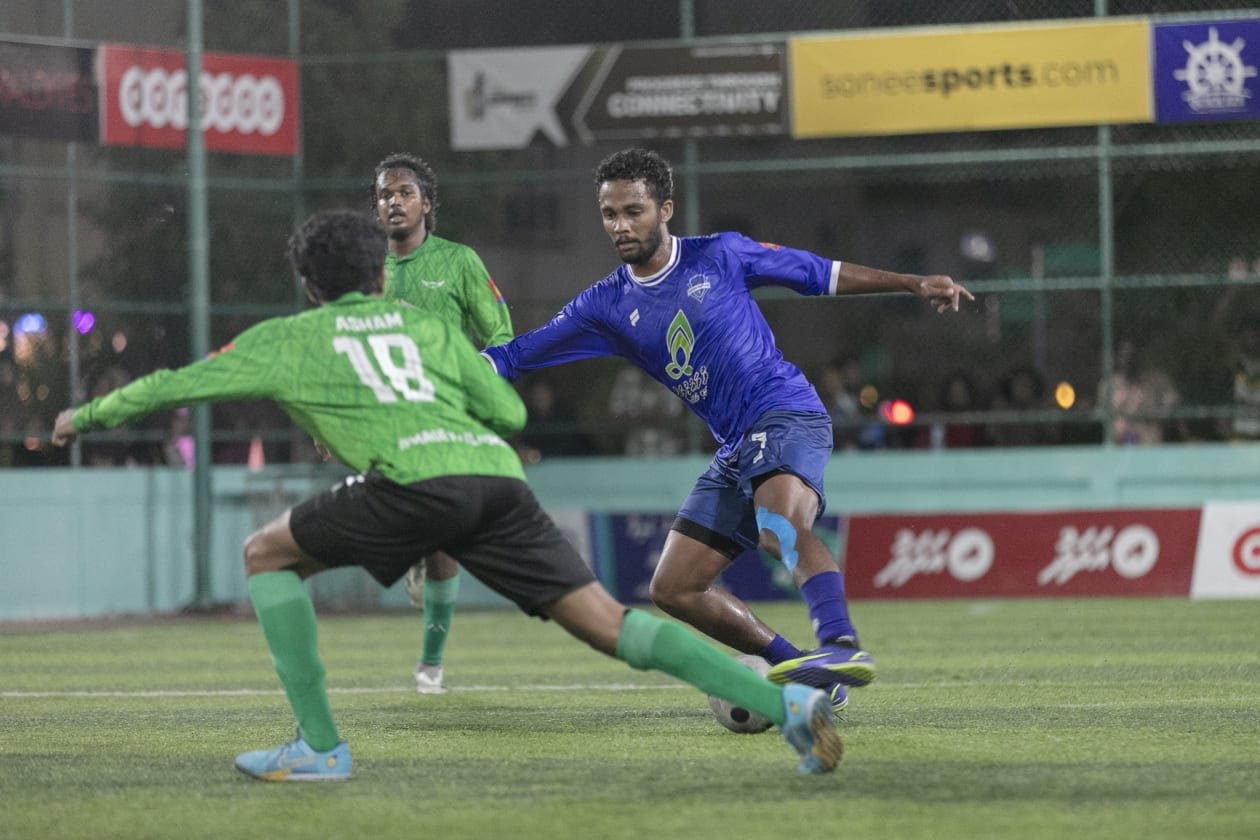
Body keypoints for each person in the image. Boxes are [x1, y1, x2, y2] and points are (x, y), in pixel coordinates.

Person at [51, 209, 841, 780]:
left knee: (266, 554)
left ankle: (320, 748)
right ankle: (789, 707)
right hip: (494, 478)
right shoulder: (425, 330)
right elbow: (508, 413)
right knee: (610, 623)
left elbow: (176, 385)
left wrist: (85, 417)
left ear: (309, 285)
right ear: (377, 275)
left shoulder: (287, 339)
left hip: (411, 484)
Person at [482, 148, 974, 714]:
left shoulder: (721, 254)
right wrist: (442, 367)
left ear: (665, 209)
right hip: (735, 447)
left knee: (778, 528)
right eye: (610, 214)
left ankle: (840, 643)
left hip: (784, 413)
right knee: (674, 588)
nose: (620, 226)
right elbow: (514, 356)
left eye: (634, 211)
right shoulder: (605, 304)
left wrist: (910, 282)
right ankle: (808, 673)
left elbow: (819, 274)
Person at [373, 152, 514, 695]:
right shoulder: (367, 270)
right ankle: (410, 544)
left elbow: (500, 333)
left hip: (446, 418)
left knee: (444, 541)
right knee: (402, 524)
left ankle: (430, 665)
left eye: (405, 192)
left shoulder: (458, 262)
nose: (394, 201)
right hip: (381, 421)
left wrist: (478, 383)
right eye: (385, 194)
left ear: (427, 204)